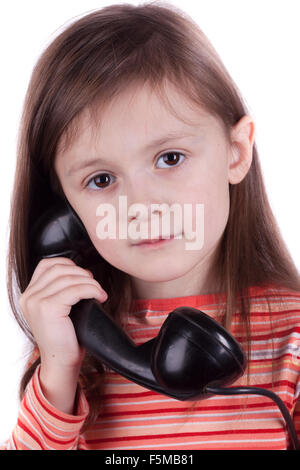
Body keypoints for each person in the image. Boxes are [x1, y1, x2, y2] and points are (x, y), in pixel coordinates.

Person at [1, 1, 299, 450]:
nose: (140, 206)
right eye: (101, 179)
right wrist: (58, 372)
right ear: (64, 214)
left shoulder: (294, 338)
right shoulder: (68, 351)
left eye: (170, 158)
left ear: (236, 152)